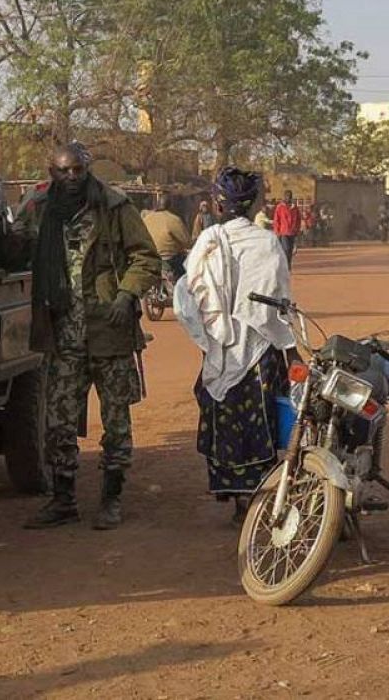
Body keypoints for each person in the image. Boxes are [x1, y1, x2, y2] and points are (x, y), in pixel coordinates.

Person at [14, 143, 160, 531]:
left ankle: (111, 498)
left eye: (78, 170)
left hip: (109, 333)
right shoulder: (41, 208)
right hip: (62, 335)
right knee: (58, 422)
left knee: (116, 423)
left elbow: (145, 256)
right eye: (64, 171)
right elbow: (14, 246)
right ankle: (63, 500)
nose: (72, 178)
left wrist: (127, 294)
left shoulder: (113, 206)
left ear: (88, 169)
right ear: (52, 171)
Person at [175, 167, 297, 523]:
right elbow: (278, 302)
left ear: (218, 202)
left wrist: (209, 339)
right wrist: (290, 350)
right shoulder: (267, 242)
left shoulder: (207, 241)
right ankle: (256, 498)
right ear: (255, 202)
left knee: (225, 420)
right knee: (260, 420)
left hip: (219, 348)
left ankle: (237, 497)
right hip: (260, 349)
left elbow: (188, 297)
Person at [141, 198, 189, 281]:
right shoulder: (173, 219)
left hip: (148, 257)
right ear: (171, 205)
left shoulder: (146, 219)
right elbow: (186, 241)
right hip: (168, 259)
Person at [273, 190, 301, 264]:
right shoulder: (280, 207)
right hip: (283, 232)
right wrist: (277, 231)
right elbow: (276, 220)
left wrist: (297, 230)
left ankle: (288, 267)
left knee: (290, 251)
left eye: (290, 196)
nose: (289, 197)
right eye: (287, 196)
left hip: (293, 232)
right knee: (286, 249)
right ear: (284, 197)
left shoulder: (295, 208)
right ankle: (285, 266)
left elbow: (298, 220)